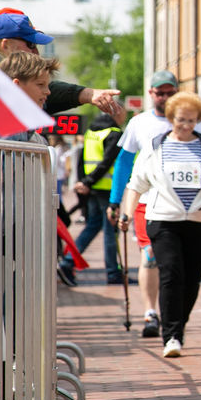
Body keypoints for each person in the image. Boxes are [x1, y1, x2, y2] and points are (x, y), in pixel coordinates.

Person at [107, 70, 201, 339]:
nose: (165, 96)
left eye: (170, 91)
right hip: (149, 203)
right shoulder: (141, 123)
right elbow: (125, 164)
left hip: (191, 208)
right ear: (151, 94)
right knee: (151, 257)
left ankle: (172, 320)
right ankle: (150, 311)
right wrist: (116, 201)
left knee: (182, 271)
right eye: (160, 92)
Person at [0, 9, 123, 134]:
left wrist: (86, 94)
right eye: (30, 44)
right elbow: (6, 127)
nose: (36, 53)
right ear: (6, 44)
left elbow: (36, 88)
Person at [59, 111, 124, 286]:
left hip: (93, 188)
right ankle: (112, 272)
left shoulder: (91, 131)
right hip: (107, 189)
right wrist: (87, 181)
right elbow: (107, 162)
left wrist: (84, 182)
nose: (124, 115)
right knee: (111, 231)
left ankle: (68, 260)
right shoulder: (114, 133)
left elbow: (82, 159)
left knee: (93, 226)